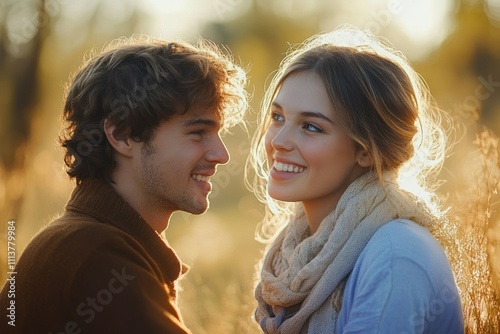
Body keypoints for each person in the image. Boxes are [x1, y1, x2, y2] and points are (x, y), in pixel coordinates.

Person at [0, 35, 247, 333]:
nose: (221, 154)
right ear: (121, 134)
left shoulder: (93, 240)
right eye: (197, 133)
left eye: (218, 132)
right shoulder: (97, 256)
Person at [247, 26, 464, 333]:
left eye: (311, 127)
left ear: (364, 150)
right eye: (278, 117)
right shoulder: (295, 253)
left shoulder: (395, 254)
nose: (279, 140)